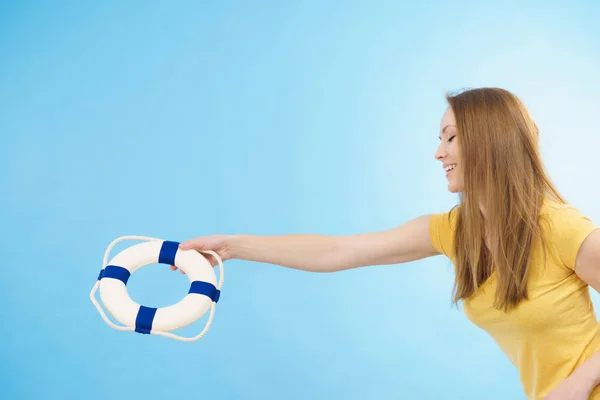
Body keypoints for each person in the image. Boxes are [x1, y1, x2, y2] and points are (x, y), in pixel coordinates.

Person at [171, 87, 600, 400]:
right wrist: (232, 246)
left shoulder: (560, 227)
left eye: (450, 137)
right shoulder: (455, 231)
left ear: (490, 141)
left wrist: (579, 383)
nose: (438, 153)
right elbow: (339, 252)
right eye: (440, 139)